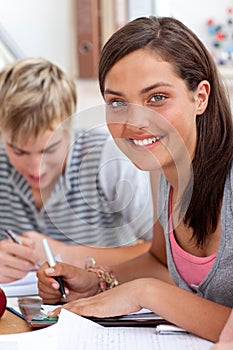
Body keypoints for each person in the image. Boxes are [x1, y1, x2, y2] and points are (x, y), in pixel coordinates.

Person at [37, 16, 233, 343]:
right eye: (117, 102)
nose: (134, 122)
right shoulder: (162, 170)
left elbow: (155, 285)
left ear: (200, 97)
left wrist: (145, 293)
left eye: (157, 98)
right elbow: (159, 261)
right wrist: (96, 281)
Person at [0, 57, 154, 284]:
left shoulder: (109, 160)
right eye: (19, 151)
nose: (35, 168)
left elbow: (168, 255)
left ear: (69, 128)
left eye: (49, 149)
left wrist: (68, 255)